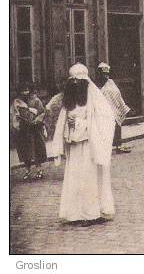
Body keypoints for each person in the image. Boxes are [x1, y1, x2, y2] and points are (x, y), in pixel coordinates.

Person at [52, 63, 115, 226]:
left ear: (85, 82)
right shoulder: (69, 99)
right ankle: (74, 214)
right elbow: (61, 123)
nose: (75, 84)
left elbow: (105, 119)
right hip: (74, 145)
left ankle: (91, 213)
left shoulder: (93, 97)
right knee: (74, 179)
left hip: (89, 146)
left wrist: (80, 123)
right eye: (72, 81)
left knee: (89, 179)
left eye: (78, 81)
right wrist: (69, 125)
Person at [10, 83, 47, 180]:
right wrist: (17, 124)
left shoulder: (36, 100)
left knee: (37, 150)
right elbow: (14, 115)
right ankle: (27, 170)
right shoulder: (16, 102)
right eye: (22, 90)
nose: (25, 92)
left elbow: (42, 112)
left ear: (30, 90)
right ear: (19, 92)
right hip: (23, 131)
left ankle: (39, 170)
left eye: (26, 90)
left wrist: (37, 120)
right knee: (25, 151)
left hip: (34, 130)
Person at [95, 62, 131, 154]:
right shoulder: (96, 84)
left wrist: (122, 107)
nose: (105, 76)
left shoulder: (111, 83)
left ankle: (118, 146)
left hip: (113, 109)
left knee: (116, 127)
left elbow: (117, 96)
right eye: (103, 74)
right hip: (101, 111)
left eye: (106, 74)